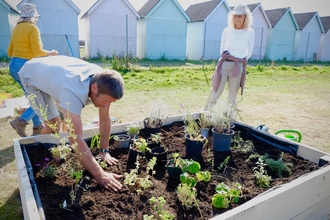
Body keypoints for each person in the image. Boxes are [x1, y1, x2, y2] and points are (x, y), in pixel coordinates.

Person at [19, 55, 124, 191]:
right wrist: (101, 175)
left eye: (111, 102)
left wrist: (104, 151)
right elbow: (75, 138)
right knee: (54, 125)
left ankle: (52, 148)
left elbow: (105, 118)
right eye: (106, 101)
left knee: (62, 121)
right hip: (31, 76)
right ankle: (38, 152)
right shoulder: (73, 92)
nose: (107, 105)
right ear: (94, 88)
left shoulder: (102, 80)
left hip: (55, 75)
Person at [8, 3, 58, 137]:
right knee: (39, 99)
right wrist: (51, 53)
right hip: (26, 67)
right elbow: (37, 51)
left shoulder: (16, 28)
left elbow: (10, 51)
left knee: (32, 98)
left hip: (13, 65)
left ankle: (37, 126)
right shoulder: (32, 28)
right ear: (33, 17)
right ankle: (21, 120)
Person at [205, 4, 255, 110]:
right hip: (224, 64)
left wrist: (240, 61)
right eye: (235, 16)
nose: (237, 18)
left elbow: (249, 52)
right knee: (215, 92)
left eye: (240, 16)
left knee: (232, 97)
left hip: (238, 66)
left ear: (245, 17)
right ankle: (206, 117)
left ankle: (229, 122)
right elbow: (222, 49)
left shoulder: (250, 32)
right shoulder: (227, 30)